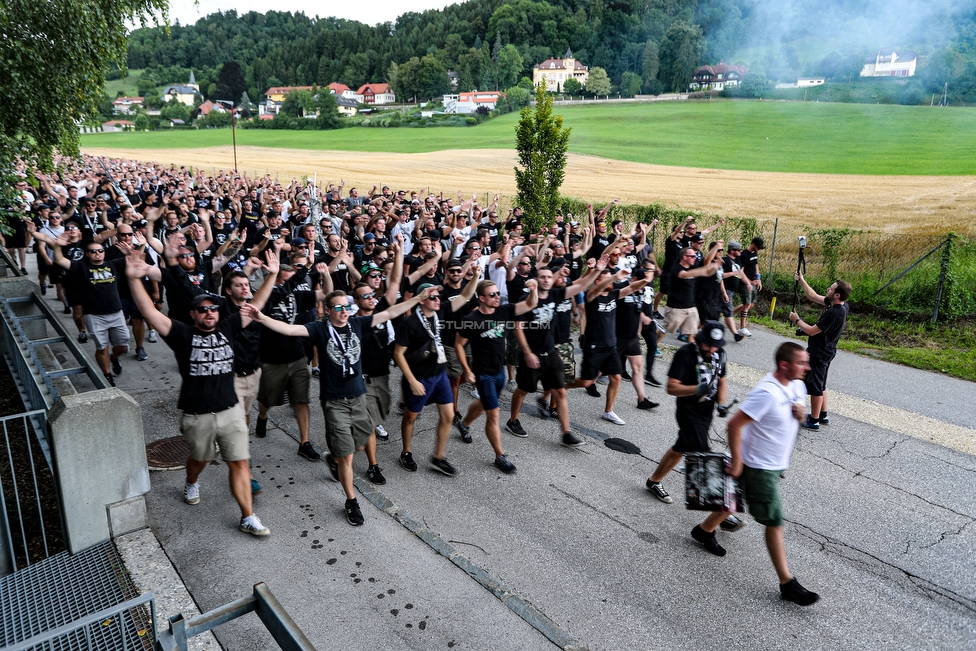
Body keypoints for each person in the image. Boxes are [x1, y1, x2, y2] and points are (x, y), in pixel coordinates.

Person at [242, 286, 435, 526]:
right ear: (329, 310)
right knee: (348, 458)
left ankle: (333, 458)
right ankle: (351, 501)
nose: (345, 311)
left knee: (361, 446)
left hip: (359, 397)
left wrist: (417, 298)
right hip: (335, 402)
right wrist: (260, 317)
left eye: (347, 307)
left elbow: (391, 312)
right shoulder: (319, 329)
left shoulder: (358, 324)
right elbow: (290, 329)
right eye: (339, 307)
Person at [123, 251, 270, 537]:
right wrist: (133, 280)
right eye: (202, 309)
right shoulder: (182, 334)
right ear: (193, 314)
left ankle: (248, 516)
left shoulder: (228, 327)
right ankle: (191, 481)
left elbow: (255, 305)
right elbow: (150, 312)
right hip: (197, 416)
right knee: (199, 460)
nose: (208, 312)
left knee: (239, 462)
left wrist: (272, 275)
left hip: (230, 411)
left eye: (212, 308)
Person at [695, 342, 819, 606]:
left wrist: (801, 414)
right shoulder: (767, 392)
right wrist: (738, 460)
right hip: (759, 465)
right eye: (802, 362)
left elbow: (795, 412)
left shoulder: (797, 385)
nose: (807, 368)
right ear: (785, 365)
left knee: (738, 497)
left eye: (807, 362)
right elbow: (735, 424)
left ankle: (704, 530)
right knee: (774, 521)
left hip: (774, 464)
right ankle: (788, 583)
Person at [644, 320, 741, 545]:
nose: (711, 348)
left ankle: (654, 480)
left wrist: (721, 404)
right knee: (702, 452)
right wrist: (696, 389)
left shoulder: (720, 354)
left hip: (706, 411)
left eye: (715, 345)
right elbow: (671, 387)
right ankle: (718, 512)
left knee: (683, 446)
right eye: (708, 344)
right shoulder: (685, 354)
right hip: (688, 410)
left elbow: (722, 379)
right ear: (700, 338)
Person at [506, 256, 608, 446]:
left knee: (560, 392)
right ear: (536, 279)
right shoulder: (525, 299)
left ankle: (566, 433)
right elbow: (517, 328)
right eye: (542, 277)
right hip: (531, 355)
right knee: (523, 390)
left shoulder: (555, 295)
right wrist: (528, 353)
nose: (545, 280)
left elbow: (579, 286)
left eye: (548, 277)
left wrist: (597, 270)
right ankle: (512, 421)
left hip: (551, 353)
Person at [393, 277, 475, 476]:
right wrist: (411, 380)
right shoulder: (411, 323)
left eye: (438, 297)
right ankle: (406, 451)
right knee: (411, 417)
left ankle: (438, 457)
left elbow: (466, 295)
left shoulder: (441, 311)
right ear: (421, 300)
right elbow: (398, 353)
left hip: (439, 375)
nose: (438, 300)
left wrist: (475, 275)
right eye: (433, 297)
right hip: (419, 377)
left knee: (448, 416)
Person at [455, 280, 538, 474]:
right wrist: (466, 370)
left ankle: (464, 423)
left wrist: (533, 290)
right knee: (494, 413)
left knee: (486, 403)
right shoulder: (472, 319)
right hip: (483, 373)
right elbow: (459, 345)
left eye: (497, 293)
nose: (496, 297)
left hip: (499, 372)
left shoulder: (504, 310)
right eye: (492, 295)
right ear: (481, 298)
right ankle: (500, 456)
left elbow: (529, 304)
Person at [52, 236, 129, 385]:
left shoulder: (113, 264)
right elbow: (60, 260)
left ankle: (114, 358)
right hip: (94, 315)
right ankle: (107, 375)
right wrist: (57, 246)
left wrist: (131, 251)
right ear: (87, 254)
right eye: (93, 251)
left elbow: (134, 261)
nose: (97, 253)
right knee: (102, 347)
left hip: (116, 313)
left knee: (122, 345)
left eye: (100, 251)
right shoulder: (81, 268)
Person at [789, 275, 851, 430]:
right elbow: (812, 296)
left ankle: (814, 420)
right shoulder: (842, 306)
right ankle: (823, 414)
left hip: (819, 352)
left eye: (831, 288)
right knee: (822, 383)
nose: (827, 290)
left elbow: (811, 331)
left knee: (815, 386)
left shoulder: (834, 313)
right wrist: (802, 280)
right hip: (827, 350)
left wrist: (796, 319)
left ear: (837, 295)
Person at [734, 237, 765, 336]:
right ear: (753, 244)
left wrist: (758, 279)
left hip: (754, 282)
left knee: (751, 304)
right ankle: (742, 327)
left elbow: (756, 266)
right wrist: (749, 282)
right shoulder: (744, 255)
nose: (759, 249)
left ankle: (731, 314)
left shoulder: (754, 254)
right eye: (758, 247)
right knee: (746, 304)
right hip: (745, 283)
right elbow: (740, 271)